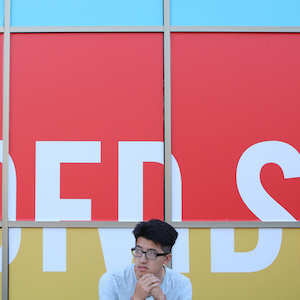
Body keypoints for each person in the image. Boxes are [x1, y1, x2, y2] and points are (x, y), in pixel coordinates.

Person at [99, 219, 192, 300]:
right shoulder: (111, 281)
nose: (142, 260)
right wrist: (136, 298)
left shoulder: (181, 284)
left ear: (166, 259)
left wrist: (161, 298)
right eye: (138, 250)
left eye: (151, 253)